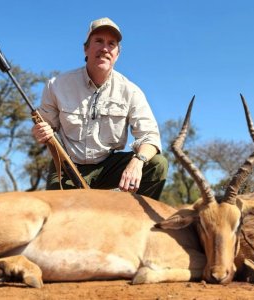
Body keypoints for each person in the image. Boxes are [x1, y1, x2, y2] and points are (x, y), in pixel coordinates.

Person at [32, 17, 168, 200]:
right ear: (86, 48)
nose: (105, 48)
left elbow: (150, 137)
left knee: (157, 164)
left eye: (111, 44)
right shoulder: (56, 85)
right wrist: (40, 132)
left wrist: (138, 161)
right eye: (98, 41)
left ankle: (133, 224)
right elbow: (46, 127)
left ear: (117, 54)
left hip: (108, 166)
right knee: (59, 218)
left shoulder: (131, 91)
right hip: (68, 165)